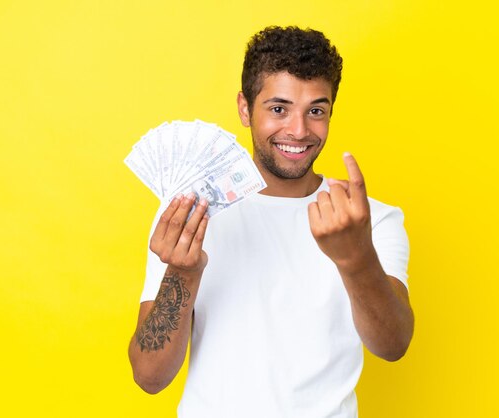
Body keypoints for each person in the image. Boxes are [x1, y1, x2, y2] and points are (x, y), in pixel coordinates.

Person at [128, 26, 414, 418]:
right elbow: (149, 377)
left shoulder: (370, 220)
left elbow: (393, 345)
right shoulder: (189, 214)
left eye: (316, 110)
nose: (298, 131)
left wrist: (357, 258)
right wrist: (183, 270)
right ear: (245, 109)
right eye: (278, 108)